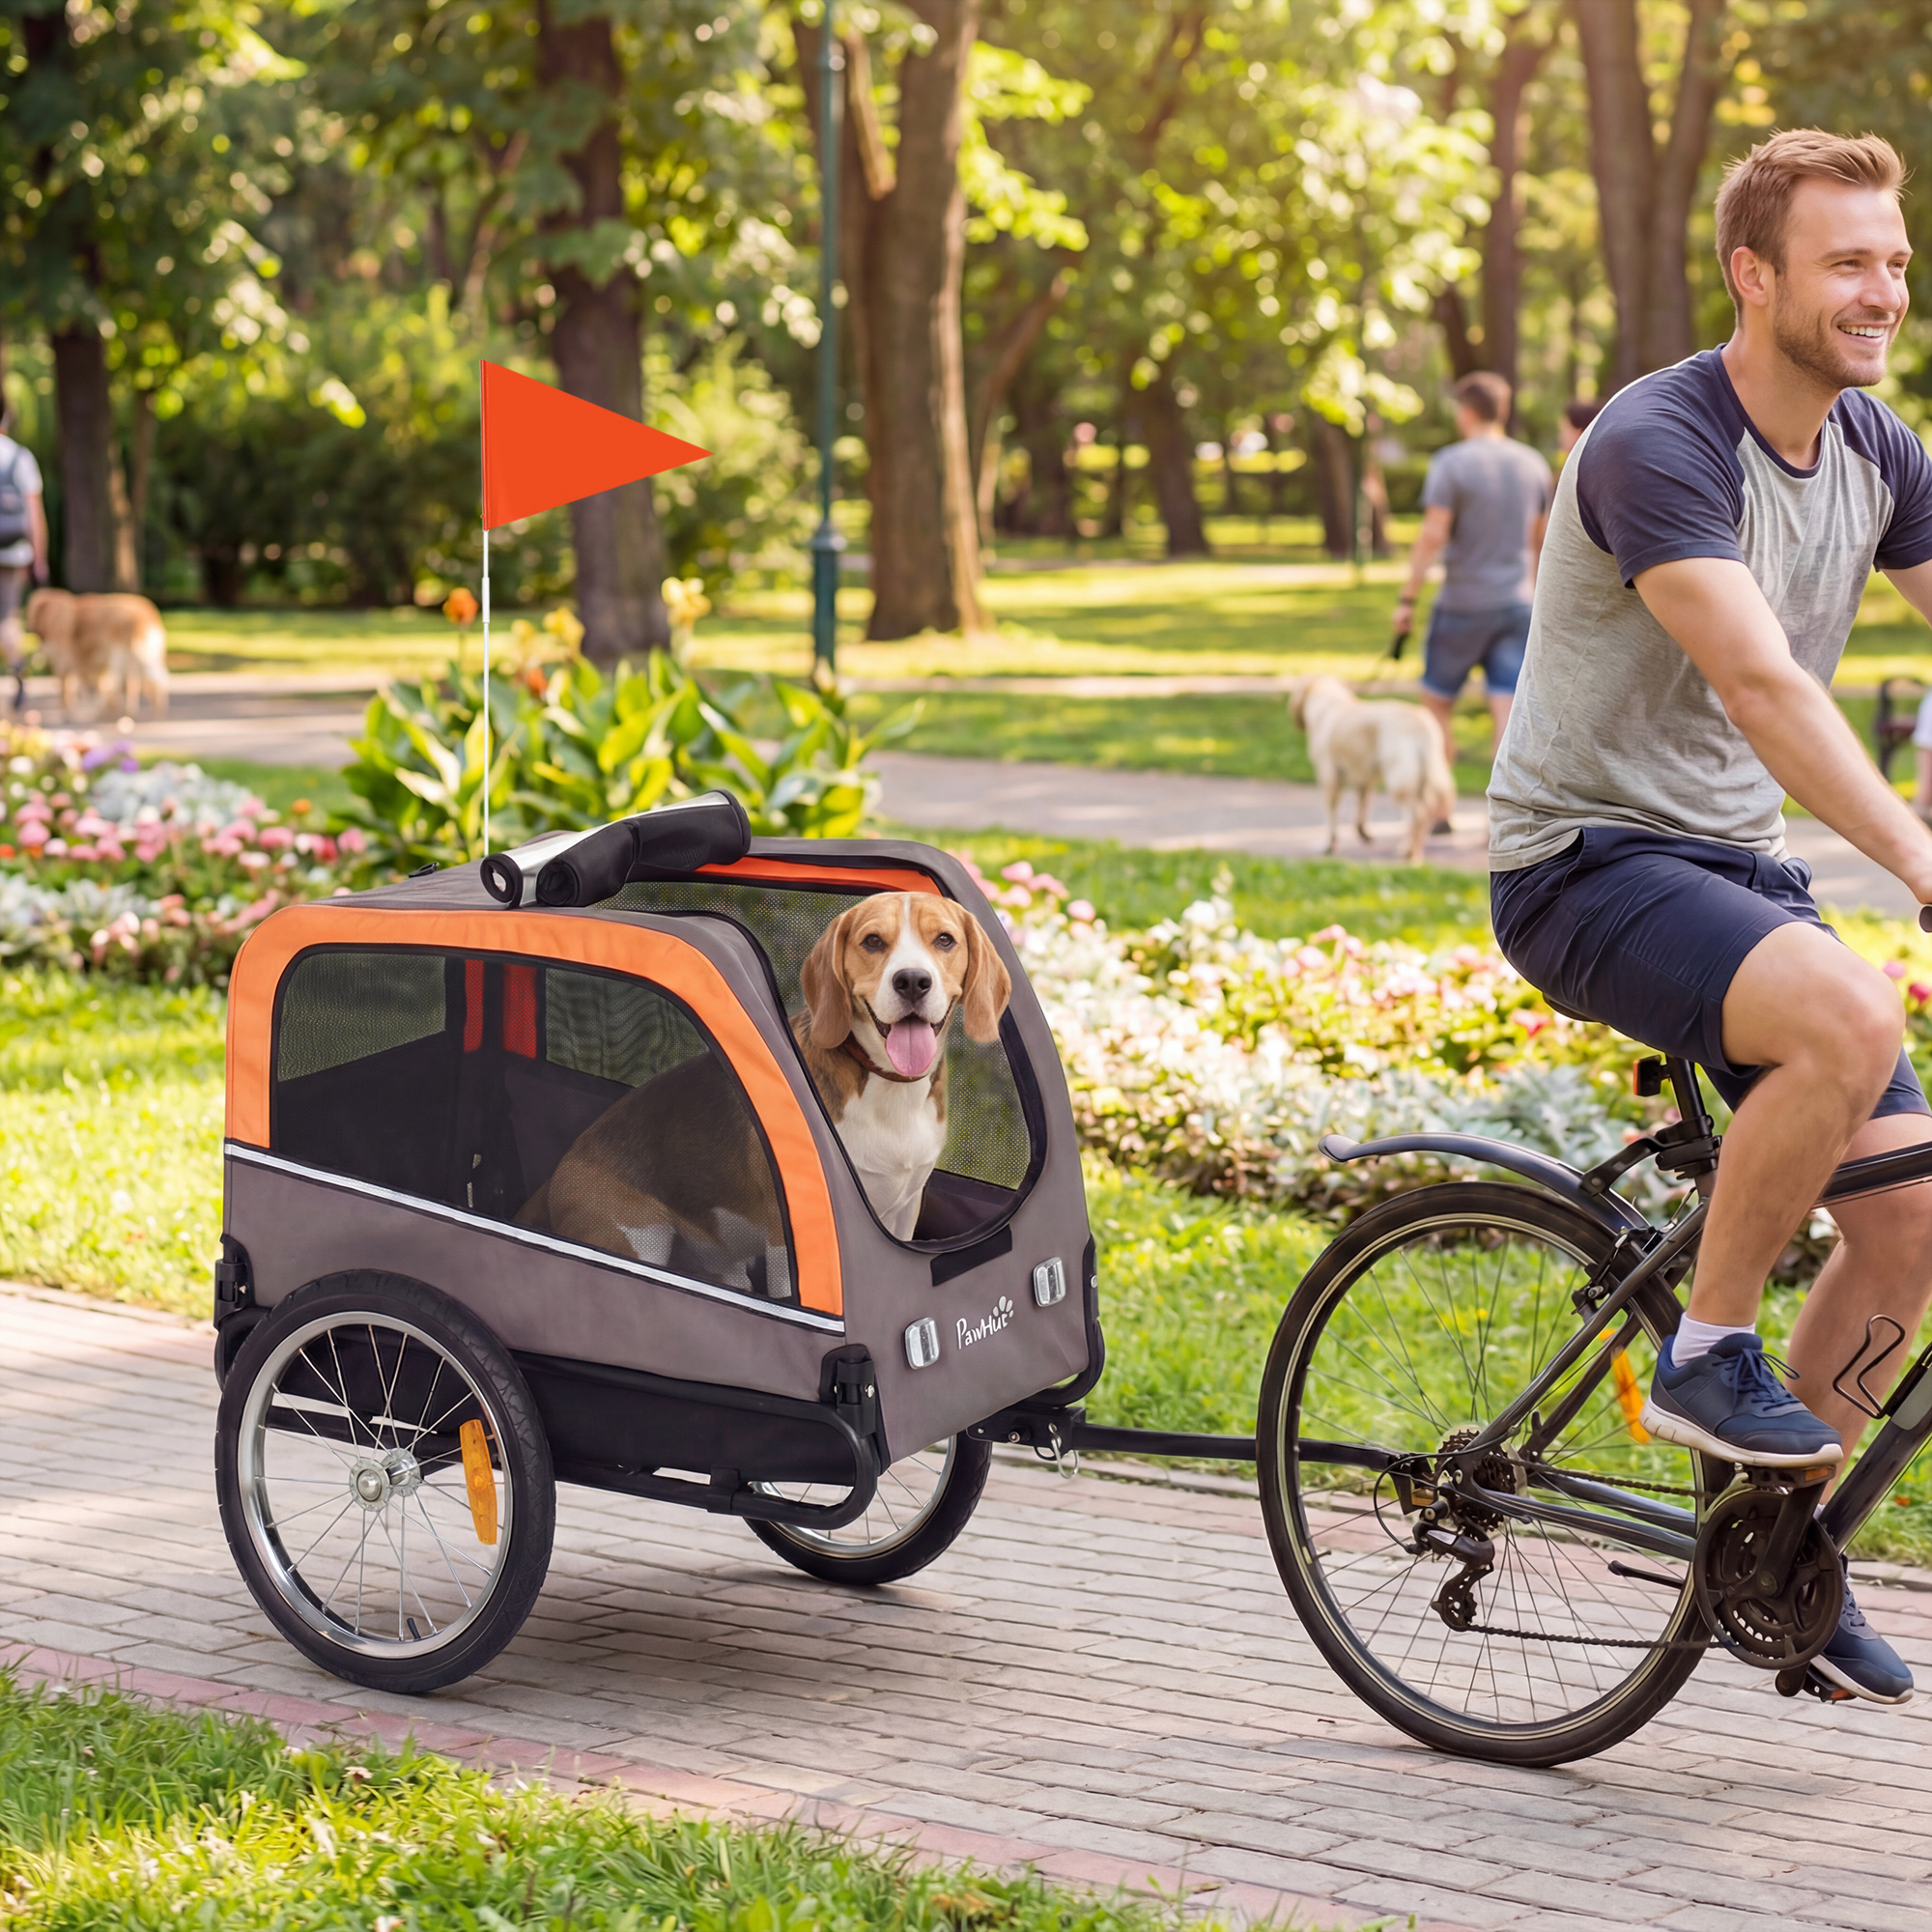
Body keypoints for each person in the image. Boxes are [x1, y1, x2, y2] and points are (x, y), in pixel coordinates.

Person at [1489, 129, 1932, 1704]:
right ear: (1757, 277)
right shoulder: (1656, 440)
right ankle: (1701, 1356)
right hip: (1586, 865)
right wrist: (1921, 857)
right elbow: (1761, 684)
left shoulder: (1875, 449)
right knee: (1850, 1013)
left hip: (1734, 877)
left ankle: (1779, 1558)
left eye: (1892, 257)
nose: (1883, 288)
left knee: (1910, 1222)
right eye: (1846, 262)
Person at [1392, 371, 1553, 761]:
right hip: (1518, 604)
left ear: (1465, 411)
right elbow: (1541, 541)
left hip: (1462, 604)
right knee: (1506, 708)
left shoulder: (1451, 463)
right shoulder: (1533, 465)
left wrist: (1407, 598)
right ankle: (1494, 820)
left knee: (1436, 702)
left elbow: (1433, 535)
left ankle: (1439, 810)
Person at [0, 401, 48, 710]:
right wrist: (39, 557)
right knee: (7, 616)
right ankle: (18, 669)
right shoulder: (19, 456)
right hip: (13, 551)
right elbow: (34, 514)